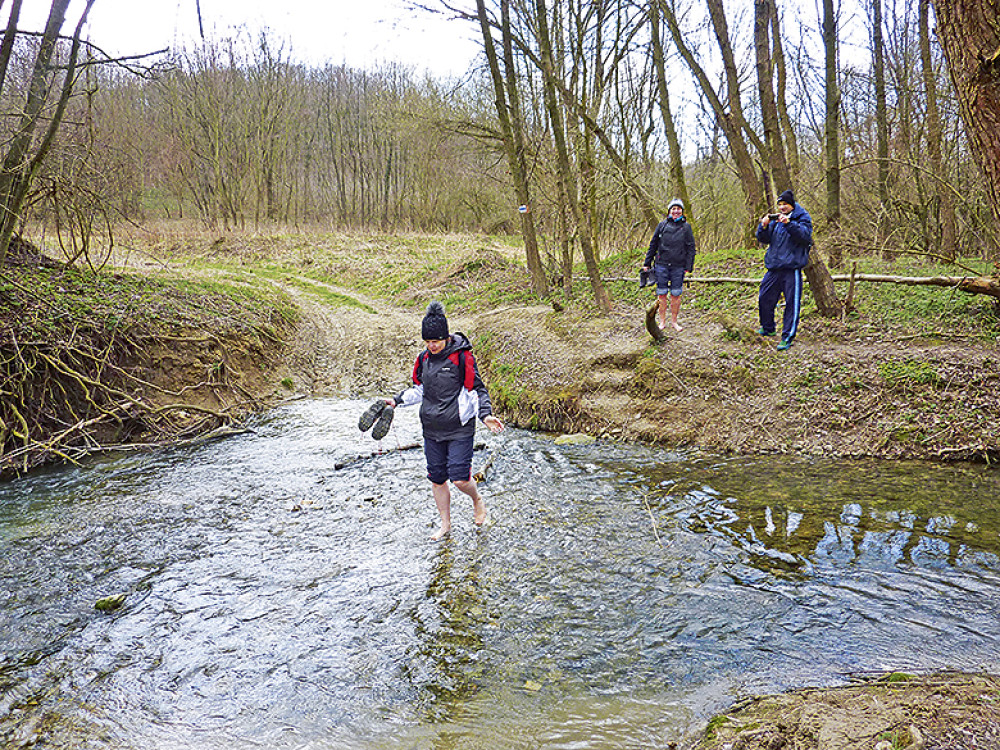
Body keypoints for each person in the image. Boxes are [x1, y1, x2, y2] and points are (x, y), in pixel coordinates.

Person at [385, 301, 504, 540]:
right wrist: (396, 401)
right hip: (431, 429)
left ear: (446, 336)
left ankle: (477, 499)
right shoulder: (423, 359)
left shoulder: (462, 358)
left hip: (459, 428)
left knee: (460, 479)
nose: (432, 346)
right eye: (427, 342)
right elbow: (419, 390)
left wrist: (485, 415)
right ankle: (445, 525)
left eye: (435, 341)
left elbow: (476, 390)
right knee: (438, 479)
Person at [756, 189, 813, 351]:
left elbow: (805, 237)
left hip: (792, 268)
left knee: (791, 304)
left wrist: (789, 224)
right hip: (774, 267)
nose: (782, 208)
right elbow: (763, 239)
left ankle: (787, 336)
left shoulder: (802, 218)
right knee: (764, 297)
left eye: (785, 204)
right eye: (780, 205)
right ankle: (768, 328)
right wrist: (764, 226)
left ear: (792, 205)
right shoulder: (775, 220)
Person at [642, 198, 696, 332]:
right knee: (661, 294)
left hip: (679, 266)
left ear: (682, 212)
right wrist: (647, 263)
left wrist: (689, 266)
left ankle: (674, 321)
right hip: (661, 265)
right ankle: (662, 322)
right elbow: (653, 245)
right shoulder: (661, 226)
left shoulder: (686, 227)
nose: (676, 211)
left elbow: (691, 248)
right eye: (673, 209)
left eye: (678, 209)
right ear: (669, 211)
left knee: (676, 295)